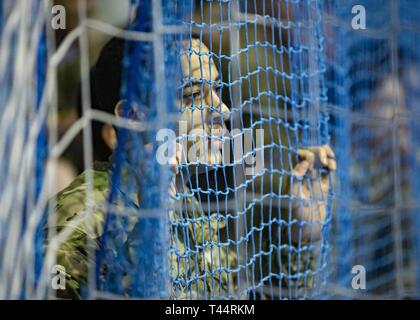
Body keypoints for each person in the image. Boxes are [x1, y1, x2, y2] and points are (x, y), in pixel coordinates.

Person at [44, 37, 336, 299]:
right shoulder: (83, 217)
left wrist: (301, 238)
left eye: (217, 89)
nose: (221, 110)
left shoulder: (189, 209)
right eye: (193, 96)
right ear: (133, 117)